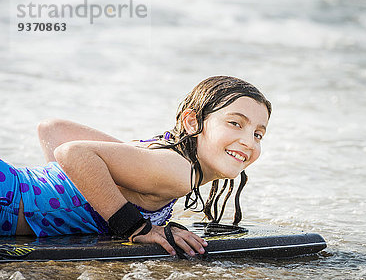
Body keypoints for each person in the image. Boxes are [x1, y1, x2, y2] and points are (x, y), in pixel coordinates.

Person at [0, 76, 272, 257]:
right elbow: (72, 153)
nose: (248, 141)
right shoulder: (180, 172)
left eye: (258, 134)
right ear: (192, 123)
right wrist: (136, 228)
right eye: (235, 123)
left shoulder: (156, 157)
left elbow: (52, 129)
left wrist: (62, 196)